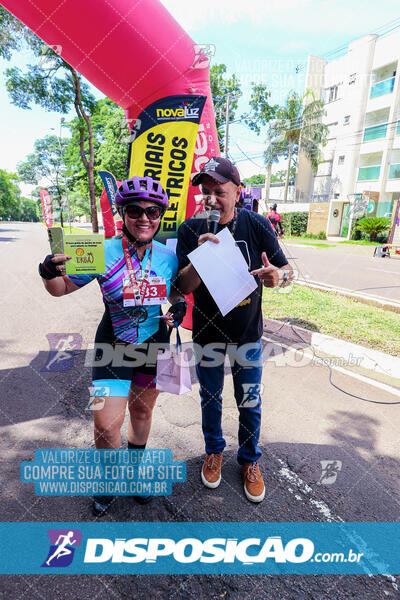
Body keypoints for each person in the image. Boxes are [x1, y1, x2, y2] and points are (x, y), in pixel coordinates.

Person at [38, 176, 187, 516]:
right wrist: (47, 271)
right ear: (122, 213)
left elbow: (175, 294)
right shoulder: (99, 251)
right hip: (111, 345)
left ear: (160, 215)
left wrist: (177, 308)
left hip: (154, 344)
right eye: (135, 210)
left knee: (143, 411)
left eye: (152, 211)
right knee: (105, 424)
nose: (144, 218)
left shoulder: (168, 256)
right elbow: (60, 288)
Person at [175, 157, 293, 503]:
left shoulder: (256, 225)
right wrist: (198, 259)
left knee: (249, 401)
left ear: (238, 192)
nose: (211, 199)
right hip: (207, 335)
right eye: (206, 192)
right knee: (210, 398)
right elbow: (181, 287)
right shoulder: (189, 230)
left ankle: (249, 460)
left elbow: (286, 272)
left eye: (220, 192)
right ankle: (214, 451)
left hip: (247, 334)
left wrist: (278, 277)